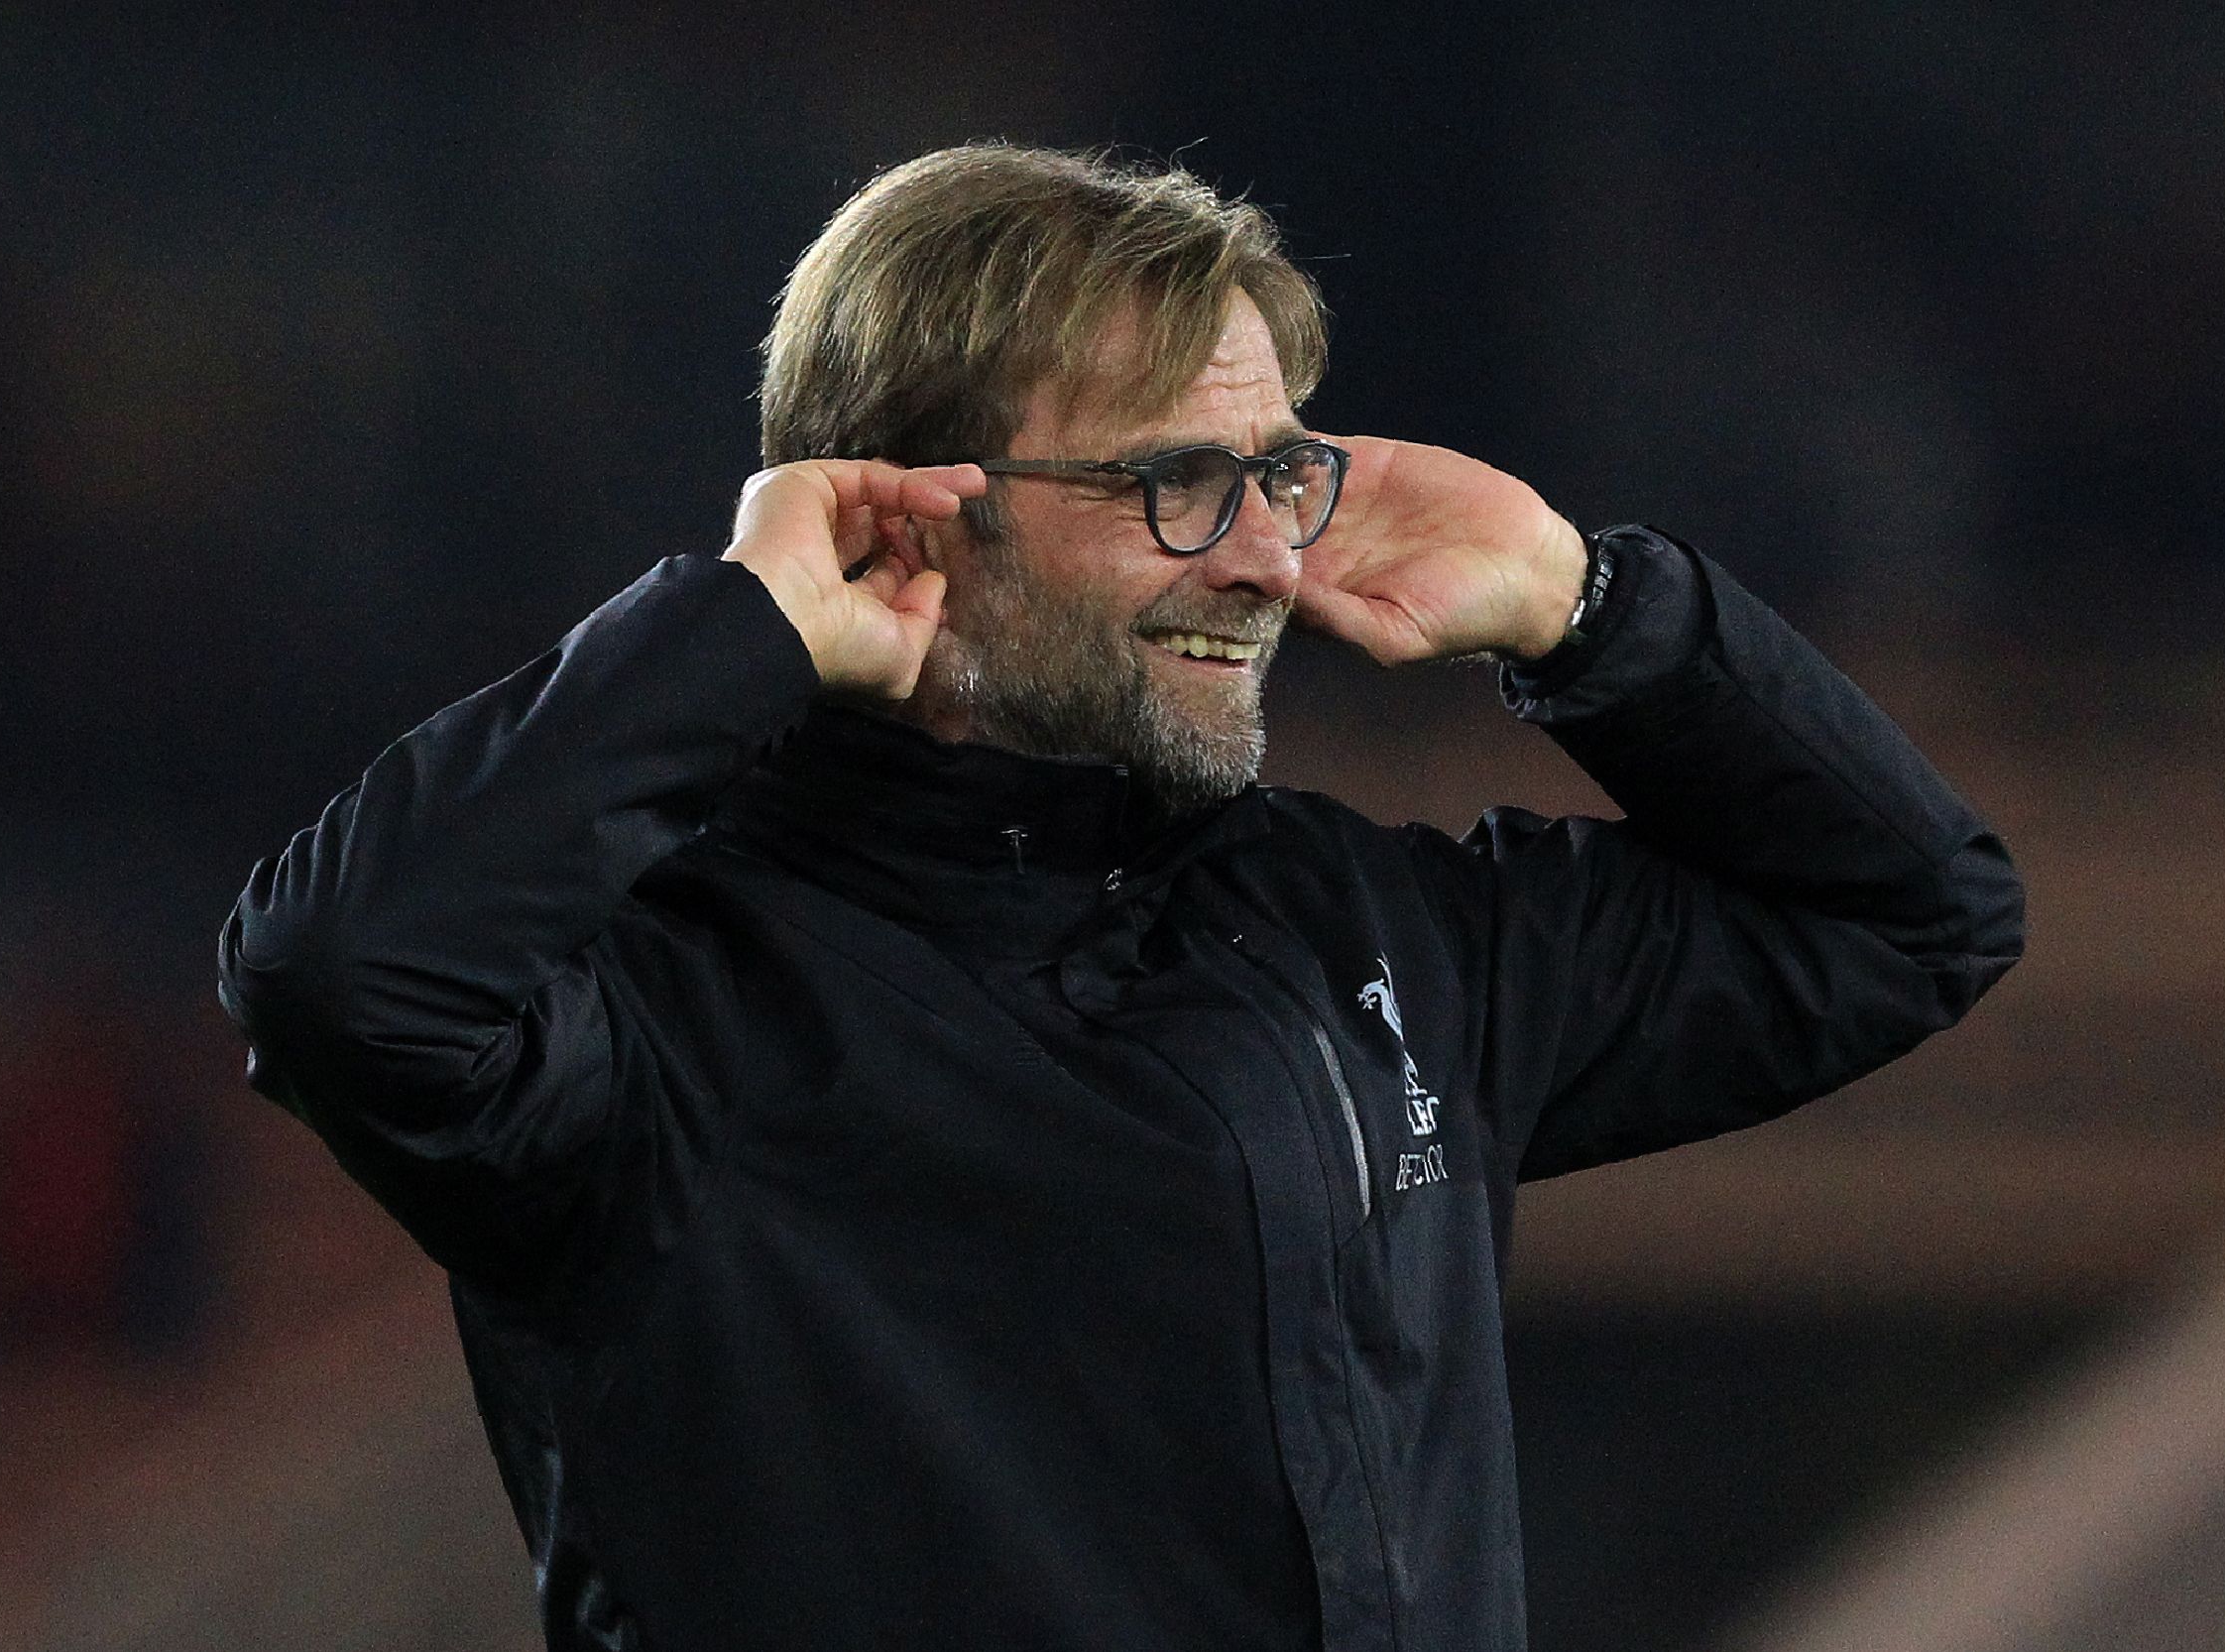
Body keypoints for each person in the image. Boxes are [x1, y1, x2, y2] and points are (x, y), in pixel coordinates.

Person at [217, 143, 2023, 1651]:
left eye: (1274, 475)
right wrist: (733, 633)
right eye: (1174, 483)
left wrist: (1588, 605)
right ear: (914, 515)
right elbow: (337, 974)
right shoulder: (662, 1016)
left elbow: (1910, 915)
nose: (1259, 551)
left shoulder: (1361, 927)